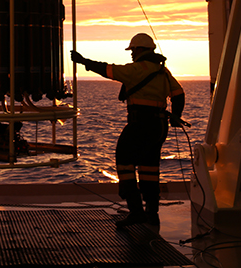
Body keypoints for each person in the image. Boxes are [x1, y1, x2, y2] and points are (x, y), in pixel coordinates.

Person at [71, 33, 185, 228]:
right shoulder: (163, 72)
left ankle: (135, 211)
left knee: (124, 161)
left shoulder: (135, 69)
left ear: (141, 50)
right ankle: (151, 211)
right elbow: (179, 94)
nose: (132, 54)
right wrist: (176, 116)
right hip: (159, 126)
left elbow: (107, 70)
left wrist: (83, 61)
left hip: (140, 124)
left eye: (133, 50)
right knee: (150, 167)